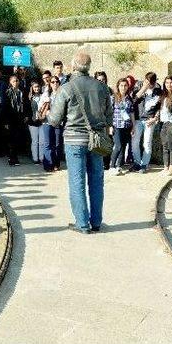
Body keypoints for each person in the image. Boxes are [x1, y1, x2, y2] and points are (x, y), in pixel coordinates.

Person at [48, 48, 112, 234]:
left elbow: (54, 120)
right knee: (97, 180)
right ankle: (97, 222)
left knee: (77, 181)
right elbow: (109, 115)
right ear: (89, 67)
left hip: (74, 140)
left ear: (73, 67)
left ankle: (82, 224)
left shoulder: (66, 88)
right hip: (97, 140)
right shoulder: (101, 87)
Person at [131, 72, 162, 173]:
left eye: (152, 82)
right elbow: (133, 101)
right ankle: (137, 163)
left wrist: (155, 118)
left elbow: (160, 107)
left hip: (150, 119)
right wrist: (143, 88)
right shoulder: (138, 87)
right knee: (135, 142)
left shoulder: (158, 91)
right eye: (148, 81)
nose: (150, 84)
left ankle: (144, 164)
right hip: (138, 119)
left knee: (147, 142)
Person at [110, 78, 135, 175]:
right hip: (116, 125)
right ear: (118, 86)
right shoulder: (113, 97)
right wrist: (110, 126)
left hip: (127, 126)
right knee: (118, 145)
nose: (123, 87)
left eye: (125, 85)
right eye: (121, 85)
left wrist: (133, 126)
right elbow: (109, 113)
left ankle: (119, 166)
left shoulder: (129, 98)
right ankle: (112, 166)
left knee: (124, 146)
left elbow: (132, 113)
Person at [3, 75, 29, 166]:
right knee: (11, 138)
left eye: (17, 81)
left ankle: (15, 156)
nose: (16, 82)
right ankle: (12, 158)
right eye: (13, 81)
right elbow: (5, 107)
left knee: (17, 137)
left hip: (20, 117)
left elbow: (25, 104)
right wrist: (6, 121)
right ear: (10, 82)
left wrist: (26, 115)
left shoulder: (22, 92)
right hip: (11, 118)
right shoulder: (8, 92)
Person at [39, 76, 62, 172]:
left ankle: (56, 164)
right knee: (48, 144)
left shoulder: (62, 94)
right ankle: (48, 165)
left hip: (57, 122)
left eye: (57, 82)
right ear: (50, 84)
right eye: (52, 82)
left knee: (57, 144)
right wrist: (46, 110)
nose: (55, 83)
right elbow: (40, 106)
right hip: (47, 122)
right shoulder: (46, 94)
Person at [159, 76, 172, 175]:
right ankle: (165, 167)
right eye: (167, 83)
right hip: (164, 123)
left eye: (171, 83)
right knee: (165, 146)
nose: (169, 85)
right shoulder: (163, 96)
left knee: (171, 145)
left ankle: (171, 167)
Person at [27, 80, 43, 164]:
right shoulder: (30, 98)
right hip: (32, 121)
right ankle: (35, 158)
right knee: (34, 141)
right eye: (35, 87)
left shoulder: (43, 96)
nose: (36, 88)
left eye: (38, 87)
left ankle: (41, 158)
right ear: (32, 88)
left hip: (42, 121)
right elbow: (28, 110)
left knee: (42, 141)